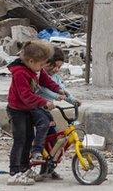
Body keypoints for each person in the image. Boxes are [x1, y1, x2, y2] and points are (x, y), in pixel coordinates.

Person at [6, 40, 59, 185]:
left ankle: (24, 168)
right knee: (20, 140)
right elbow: (26, 96)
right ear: (30, 61)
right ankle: (14, 172)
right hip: (17, 111)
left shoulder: (35, 69)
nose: (42, 68)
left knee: (29, 138)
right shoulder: (20, 74)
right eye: (41, 64)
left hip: (27, 109)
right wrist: (44, 102)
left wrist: (59, 90)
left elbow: (46, 81)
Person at [29, 47, 80, 179]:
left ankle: (49, 168)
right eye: (54, 66)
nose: (56, 70)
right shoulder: (40, 76)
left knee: (53, 140)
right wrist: (57, 97)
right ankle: (37, 155)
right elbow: (44, 91)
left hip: (48, 110)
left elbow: (63, 91)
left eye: (59, 67)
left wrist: (73, 100)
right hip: (38, 108)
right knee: (45, 132)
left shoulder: (55, 78)